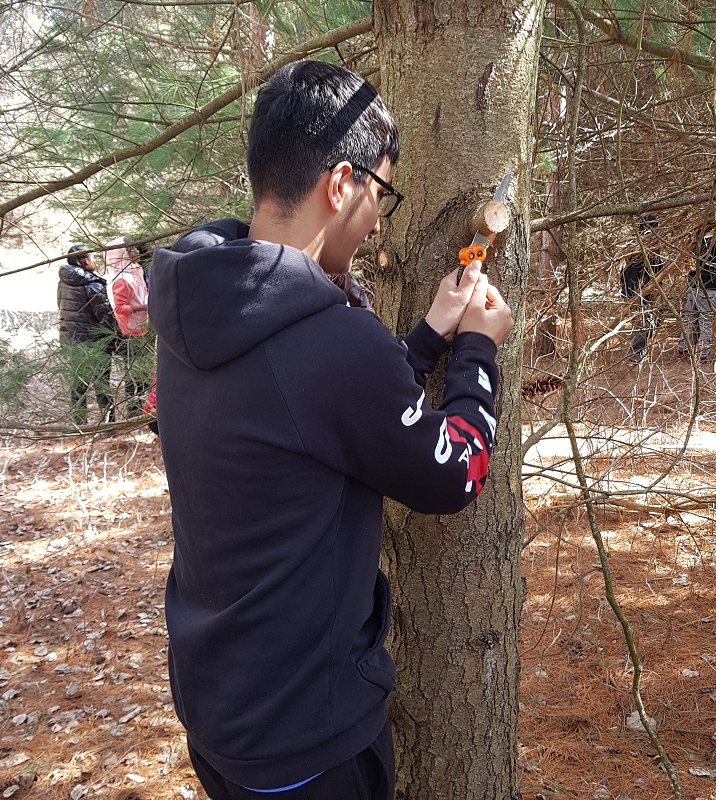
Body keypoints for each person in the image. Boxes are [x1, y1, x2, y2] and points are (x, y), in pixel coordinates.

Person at [148, 60, 514, 800]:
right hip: (305, 746)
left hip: (221, 714)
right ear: (341, 183)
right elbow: (455, 473)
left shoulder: (201, 306)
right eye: (381, 190)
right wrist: (478, 349)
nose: (381, 216)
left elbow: (315, 418)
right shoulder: (331, 345)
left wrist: (429, 335)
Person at [56, 244, 118, 428]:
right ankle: (109, 428)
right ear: (83, 260)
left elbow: (61, 307)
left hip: (72, 341)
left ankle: (79, 426)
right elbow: (105, 316)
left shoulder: (63, 282)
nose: (94, 261)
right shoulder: (93, 284)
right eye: (91, 257)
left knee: (78, 385)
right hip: (95, 342)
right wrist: (112, 338)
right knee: (102, 386)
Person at [106, 236, 151, 416]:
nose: (137, 252)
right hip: (131, 330)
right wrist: (145, 306)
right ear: (122, 255)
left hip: (144, 325)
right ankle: (134, 412)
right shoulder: (122, 278)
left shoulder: (136, 271)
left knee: (146, 372)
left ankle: (143, 407)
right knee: (135, 373)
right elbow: (120, 307)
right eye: (131, 250)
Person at [677, 223, 716, 364]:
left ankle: (683, 349)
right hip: (709, 289)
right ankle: (703, 355)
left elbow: (686, 266)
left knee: (689, 320)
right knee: (705, 322)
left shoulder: (694, 243)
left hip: (693, 287)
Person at [619, 215, 663, 363]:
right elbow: (634, 270)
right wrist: (635, 290)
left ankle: (637, 350)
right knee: (644, 322)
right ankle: (636, 352)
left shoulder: (649, 245)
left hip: (643, 289)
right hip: (639, 290)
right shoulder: (643, 246)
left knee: (650, 321)